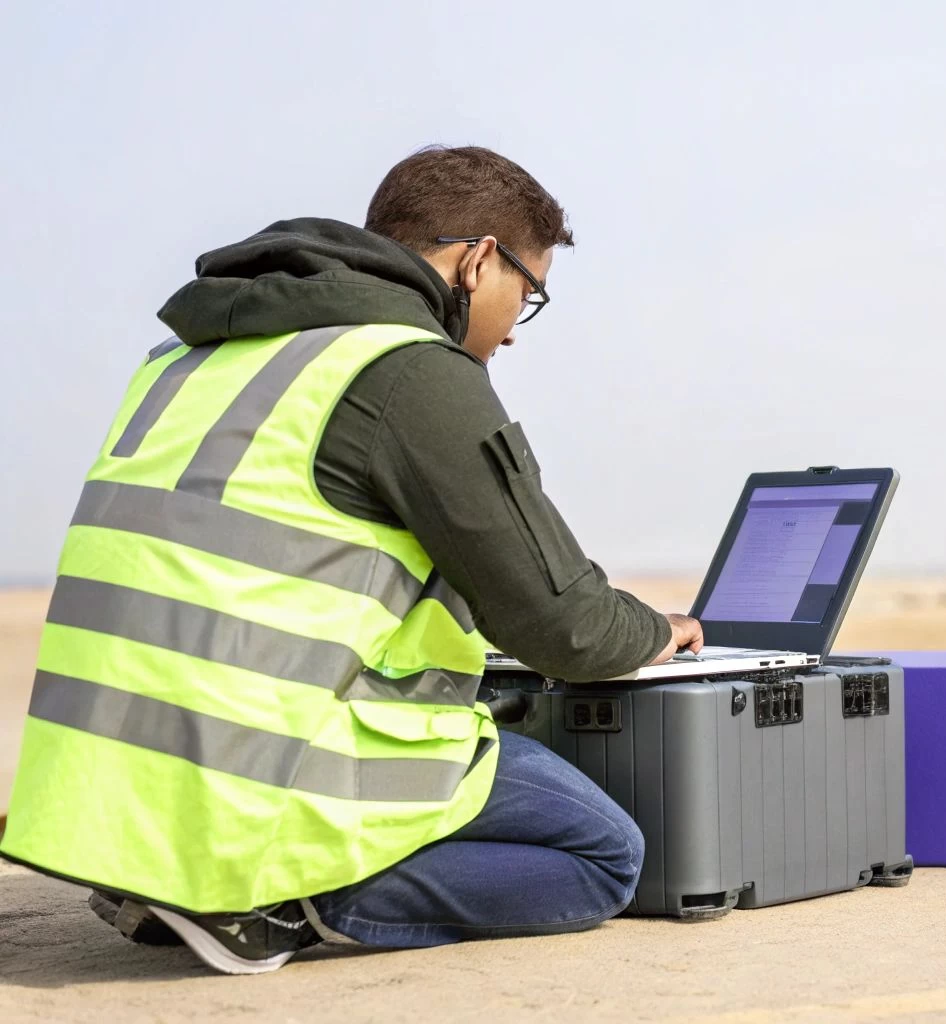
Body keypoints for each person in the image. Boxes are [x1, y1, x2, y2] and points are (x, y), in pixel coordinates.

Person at [0, 145, 703, 974]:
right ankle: (277, 897)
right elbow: (564, 625)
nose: (516, 328)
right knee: (603, 856)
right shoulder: (407, 368)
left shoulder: (186, 360)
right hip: (258, 768)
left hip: (111, 770)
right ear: (479, 260)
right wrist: (654, 630)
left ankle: (172, 871)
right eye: (529, 292)